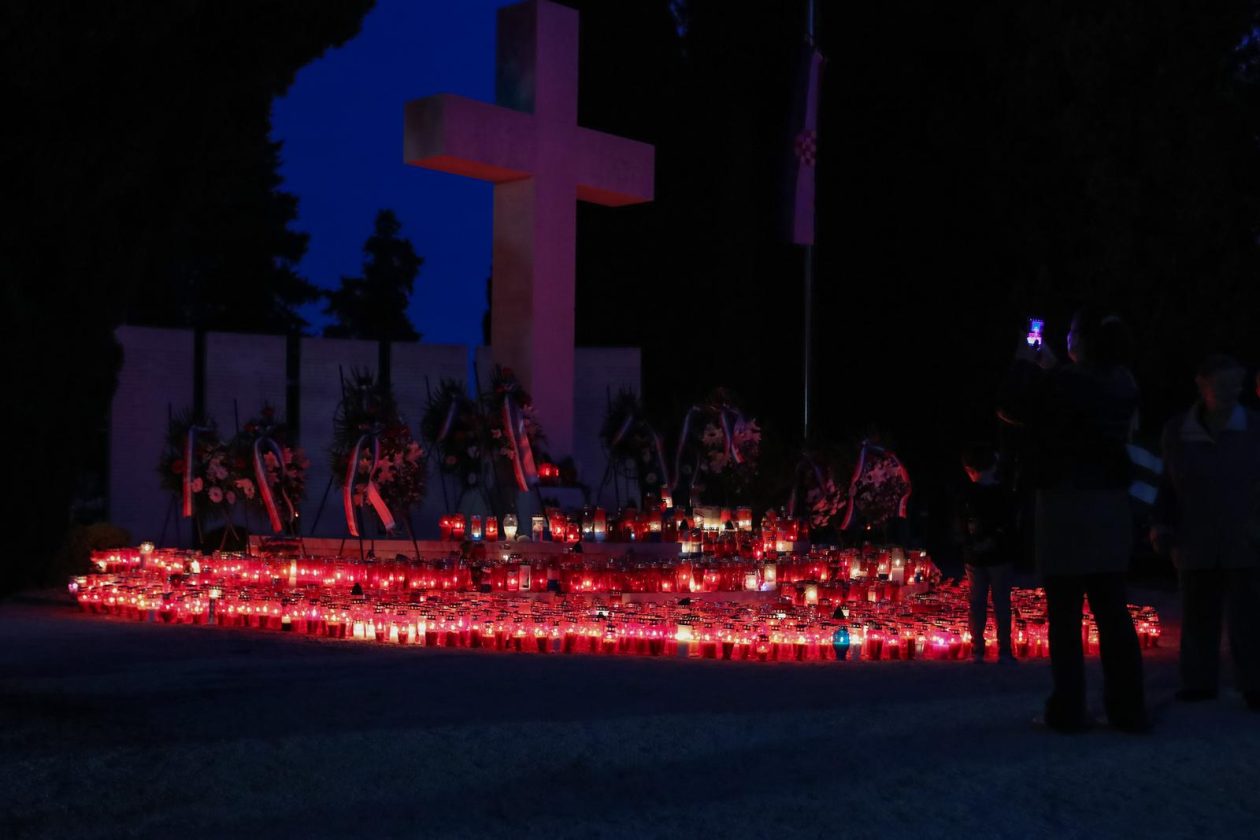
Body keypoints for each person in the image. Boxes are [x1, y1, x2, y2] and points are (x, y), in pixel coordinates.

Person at [998, 308, 1149, 733]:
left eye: (1070, 334)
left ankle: (1067, 709)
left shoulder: (1066, 383)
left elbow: (1012, 408)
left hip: (1065, 507)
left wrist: (1024, 363)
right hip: (1110, 508)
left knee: (1064, 615)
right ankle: (1127, 709)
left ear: (1080, 341)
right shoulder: (1123, 382)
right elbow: (1079, 401)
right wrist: (1055, 370)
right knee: (1112, 611)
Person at [1151, 355, 1260, 710]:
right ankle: (1198, 681)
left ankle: (1254, 682)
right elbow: (1167, 484)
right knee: (1197, 611)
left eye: (1237, 385)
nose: (1232, 392)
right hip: (1194, 535)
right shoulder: (1178, 431)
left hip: (1245, 536)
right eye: (1224, 385)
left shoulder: (1254, 428)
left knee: (1248, 615)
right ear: (1203, 384)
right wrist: (1163, 525)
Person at [957, 444, 1016, 663]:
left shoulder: (967, 494)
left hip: (976, 556)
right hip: (998, 555)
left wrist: (971, 543)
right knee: (1001, 602)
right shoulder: (1003, 492)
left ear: (970, 469)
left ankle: (977, 650)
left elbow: (961, 525)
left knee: (977, 602)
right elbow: (1009, 523)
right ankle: (1004, 650)